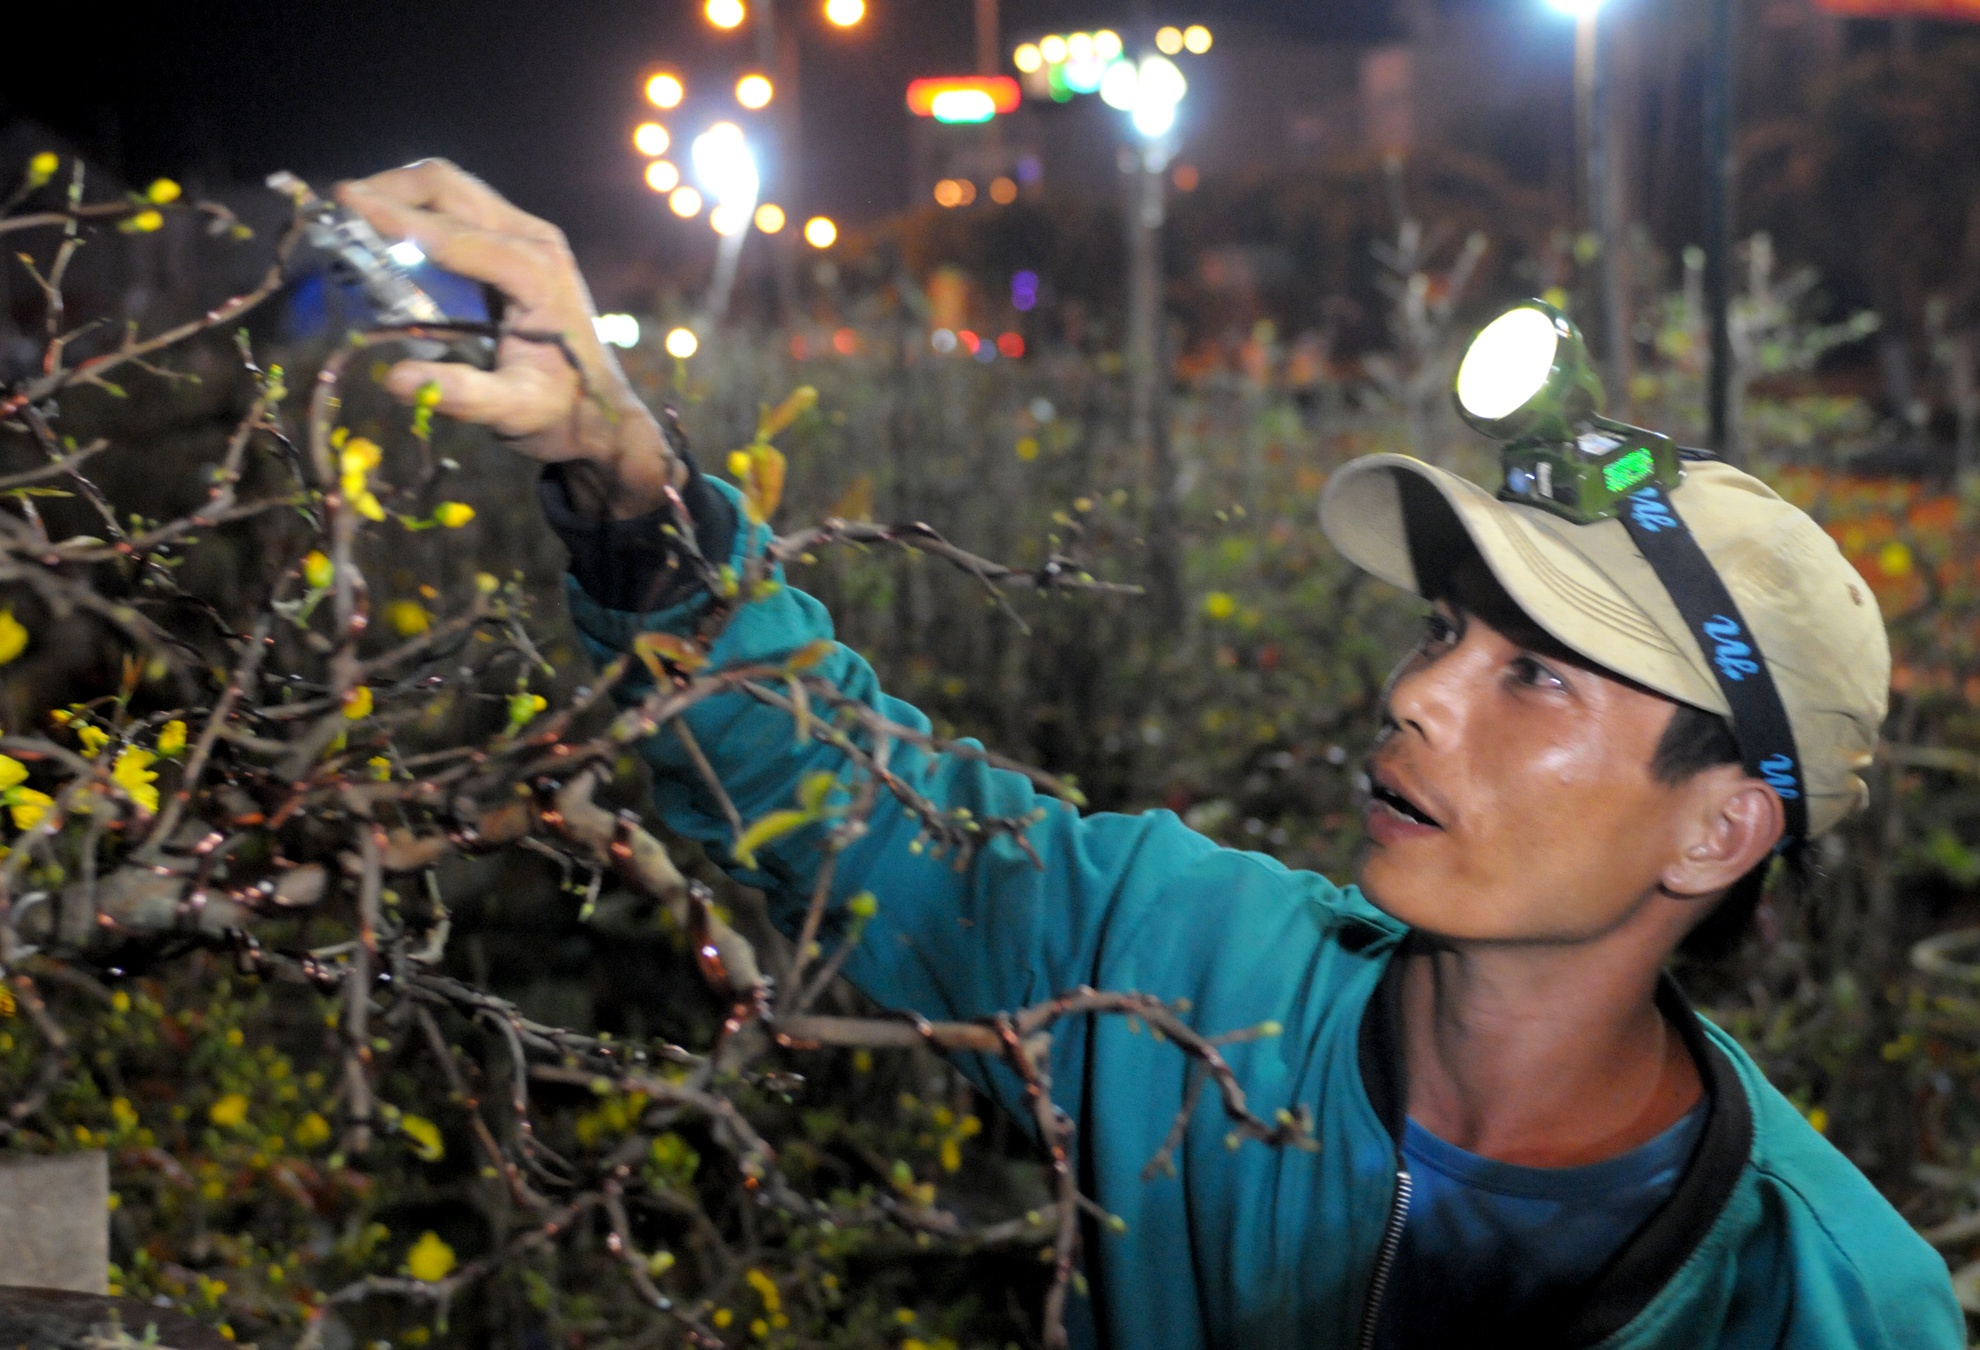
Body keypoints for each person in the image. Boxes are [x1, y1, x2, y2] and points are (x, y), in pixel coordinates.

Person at [336, 160, 1964, 1349]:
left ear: (1719, 830)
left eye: (1532, 673)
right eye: (1440, 633)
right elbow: (851, 808)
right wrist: (629, 482)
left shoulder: (1833, 1300)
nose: (1419, 697)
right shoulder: (1181, 958)